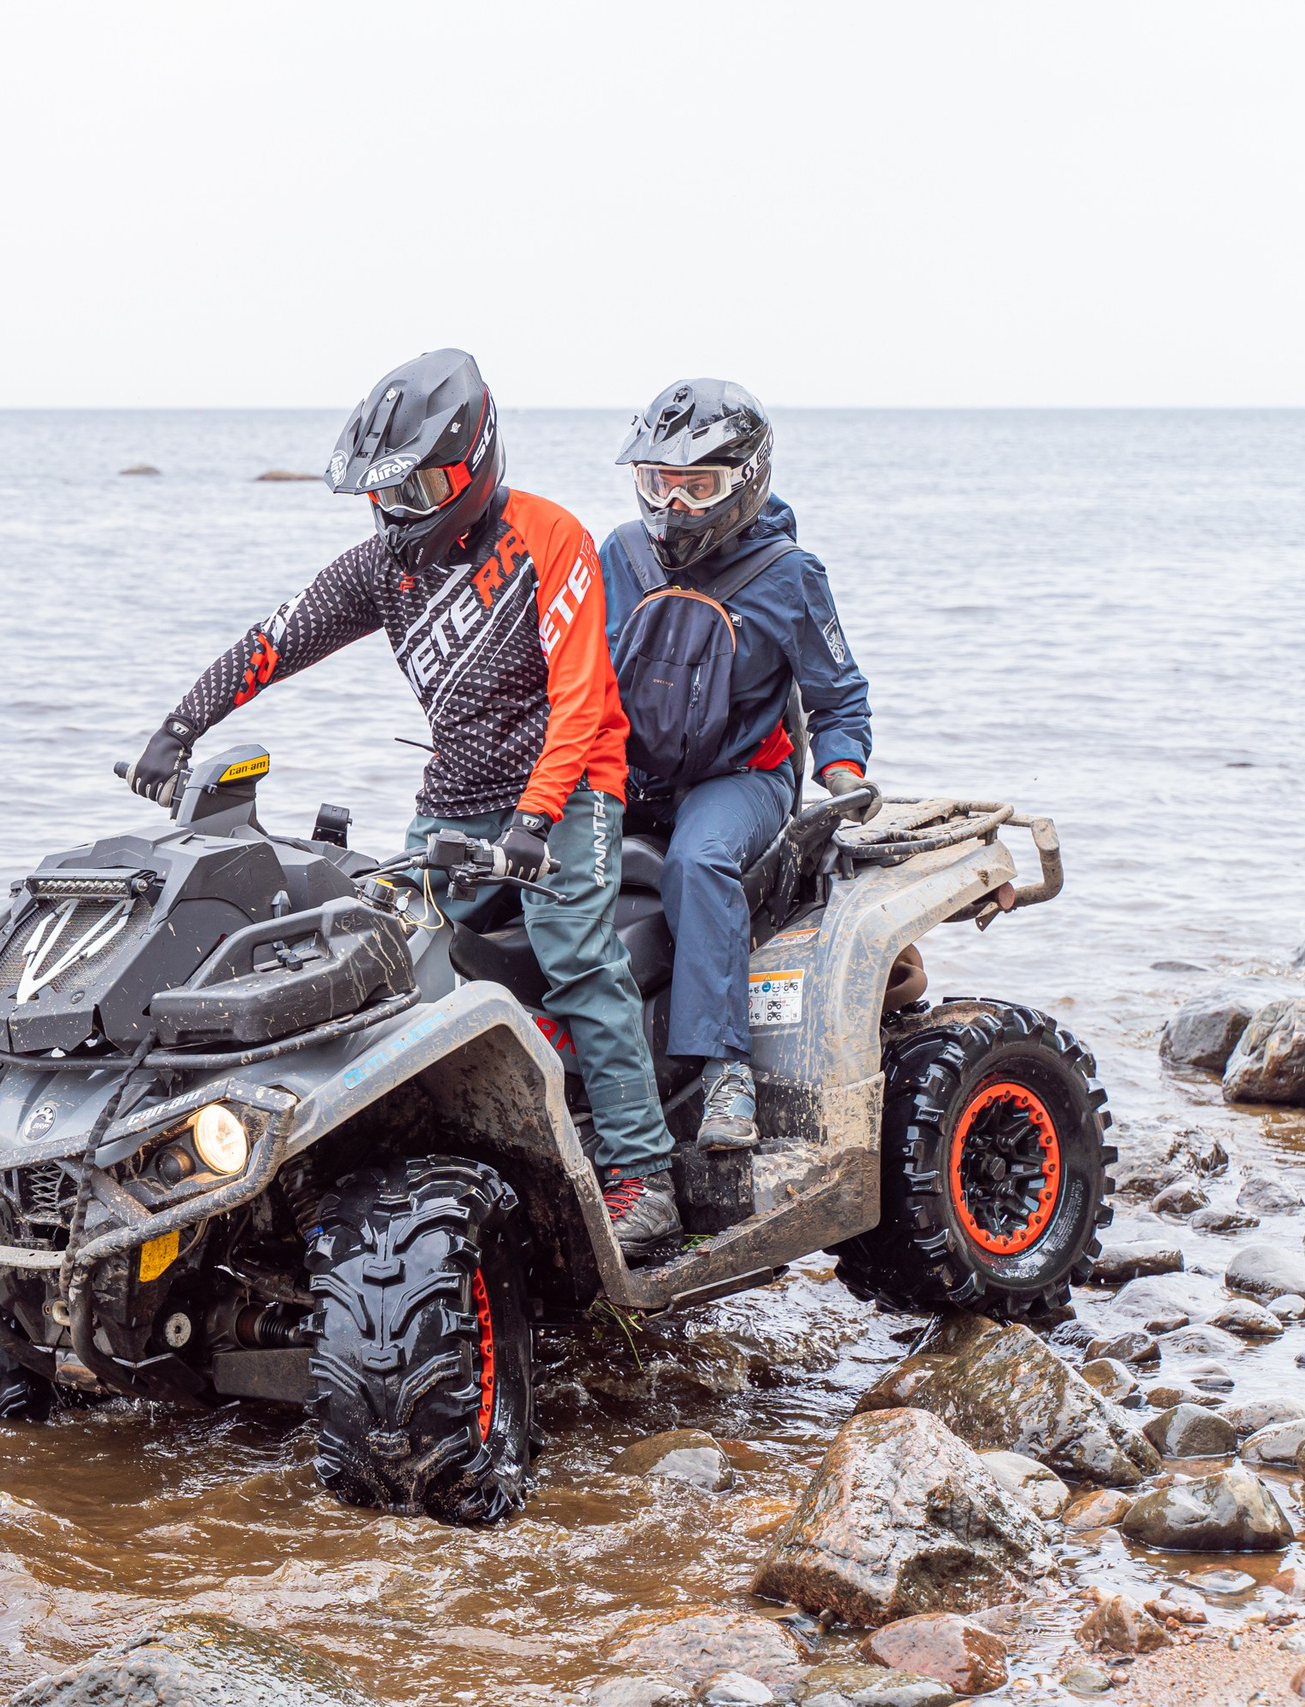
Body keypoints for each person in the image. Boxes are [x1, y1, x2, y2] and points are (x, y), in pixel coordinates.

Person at [128, 349, 683, 1258]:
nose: (400, 511)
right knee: (390, 960)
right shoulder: (382, 565)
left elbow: (582, 700)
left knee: (576, 954)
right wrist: (177, 728)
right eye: (386, 494)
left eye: (420, 487)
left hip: (570, 791)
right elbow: (278, 637)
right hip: (454, 798)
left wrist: (534, 825)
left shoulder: (551, 538)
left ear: (475, 462)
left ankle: (642, 1174)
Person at [599, 379, 874, 1150]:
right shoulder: (617, 554)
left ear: (745, 482)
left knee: (698, 859)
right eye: (660, 483)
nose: (675, 506)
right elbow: (572, 674)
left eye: (699, 486)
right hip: (632, 768)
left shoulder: (790, 575)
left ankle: (726, 1075)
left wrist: (845, 774)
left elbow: (839, 696)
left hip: (743, 776)